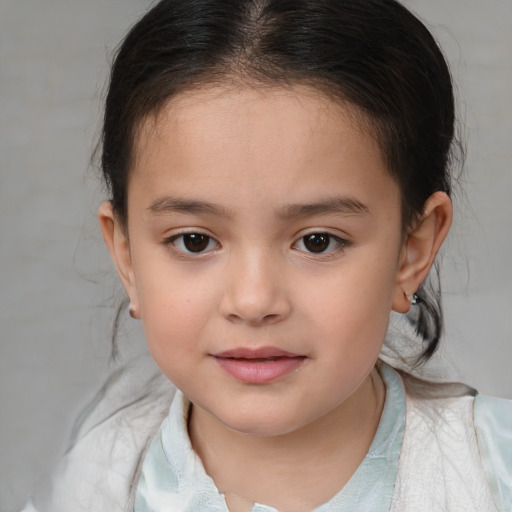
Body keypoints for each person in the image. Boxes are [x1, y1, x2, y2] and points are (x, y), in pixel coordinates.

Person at [21, 0, 512, 511]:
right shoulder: (88, 489)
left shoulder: (497, 472)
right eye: (194, 241)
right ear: (126, 257)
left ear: (412, 249)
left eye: (318, 241)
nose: (253, 301)